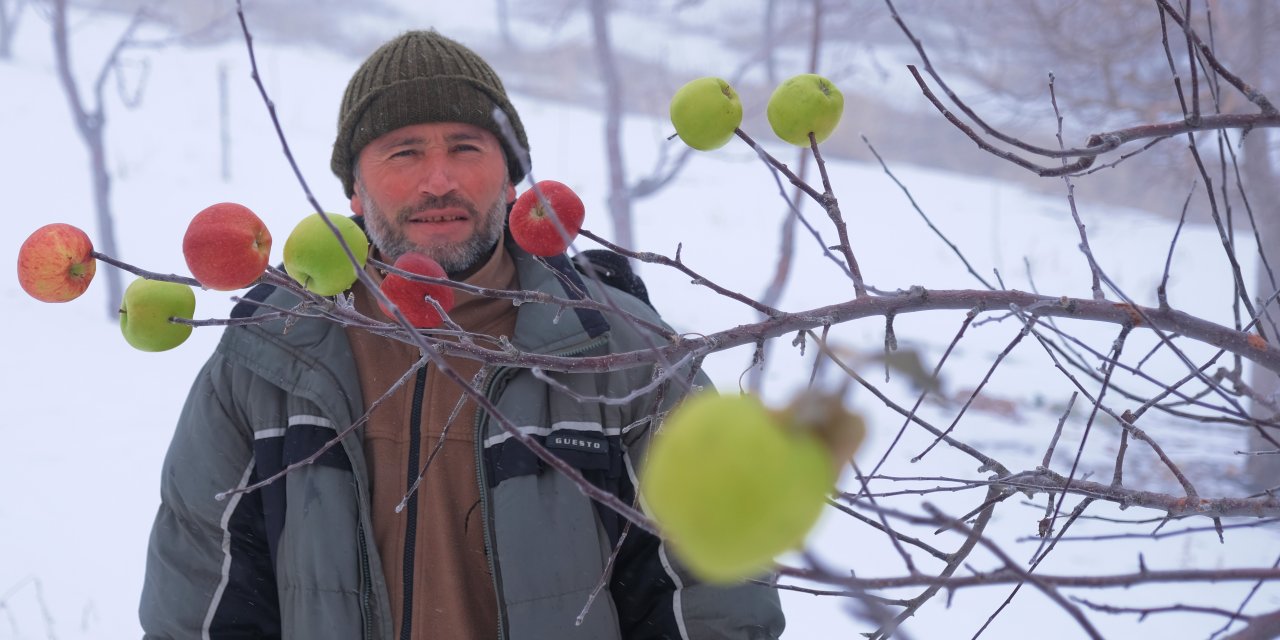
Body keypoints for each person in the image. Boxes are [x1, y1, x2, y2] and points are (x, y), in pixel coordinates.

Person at [139, 30, 785, 639]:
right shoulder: (271, 353)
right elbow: (199, 600)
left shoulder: (622, 352)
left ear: (510, 180)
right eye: (405, 151)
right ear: (355, 192)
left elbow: (717, 600)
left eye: (466, 148)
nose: (438, 180)